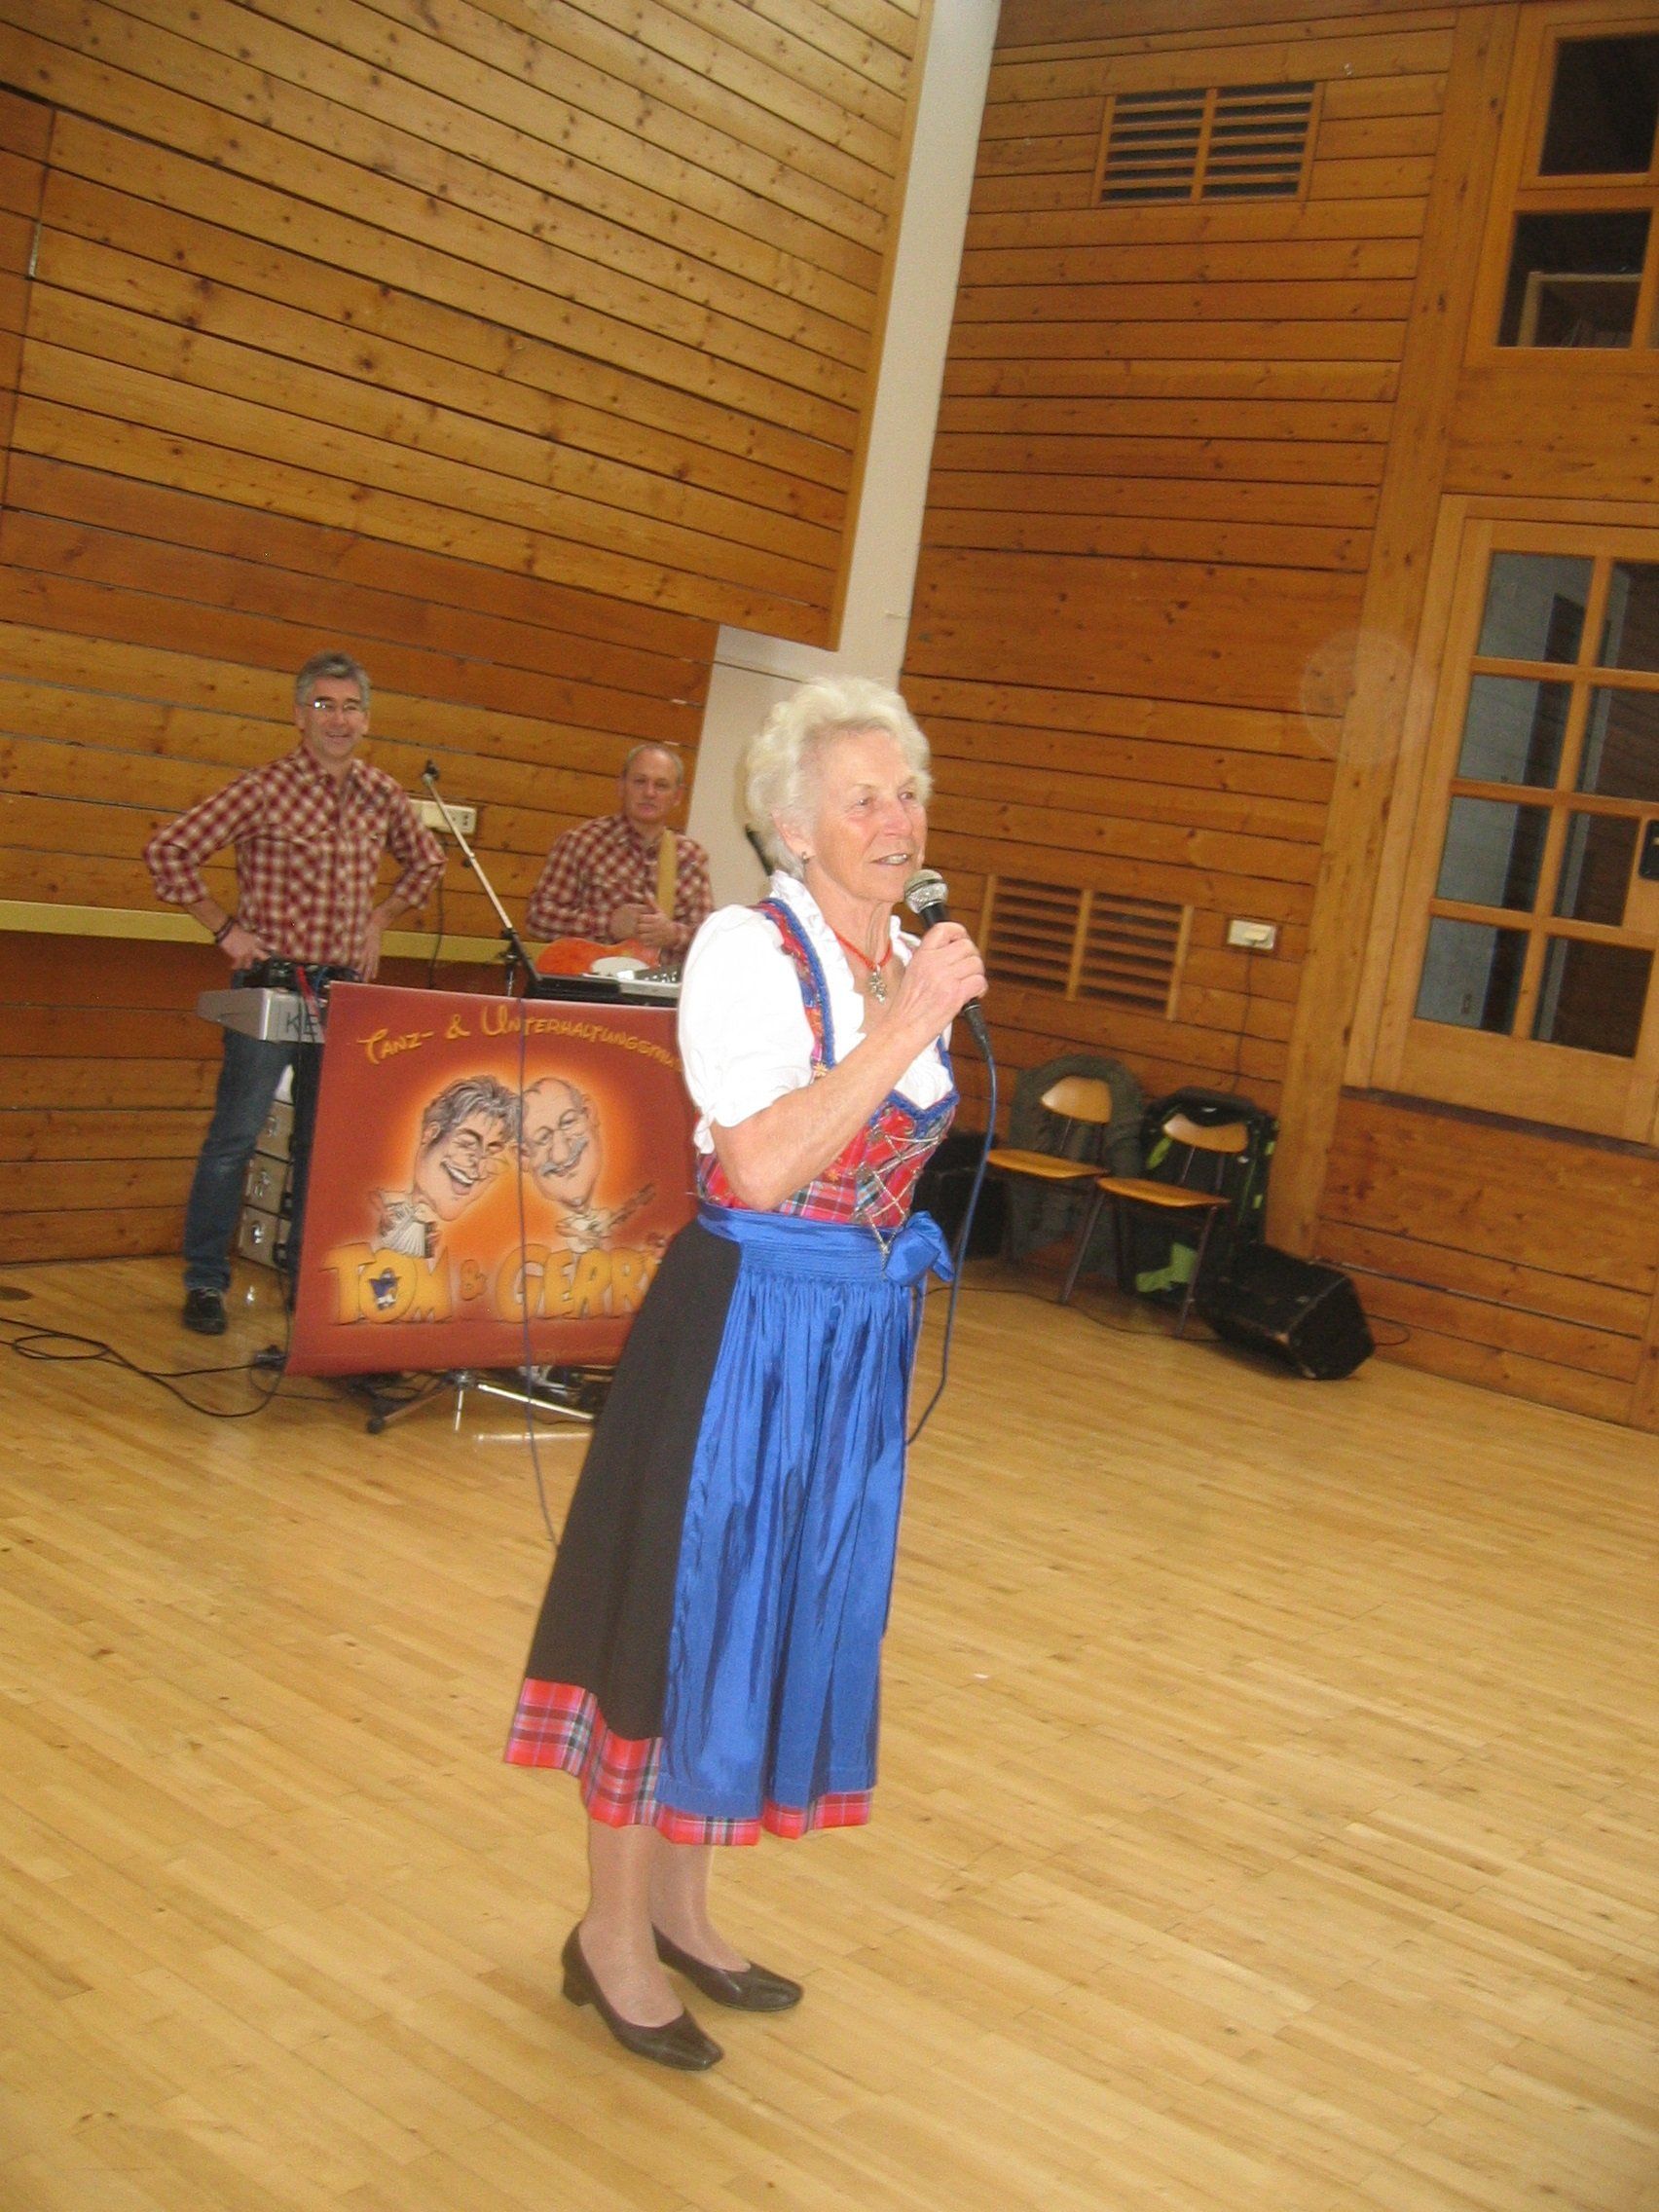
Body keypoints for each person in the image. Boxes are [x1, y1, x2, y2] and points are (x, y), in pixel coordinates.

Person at [505, 677, 986, 2072]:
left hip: (851, 1337)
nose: (897, 818)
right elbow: (763, 1164)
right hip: (740, 1331)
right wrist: (907, 1022)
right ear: (794, 825)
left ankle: (683, 1910)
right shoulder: (744, 949)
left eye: (907, 792)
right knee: (670, 1621)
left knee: (761, 1620)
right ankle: (608, 1934)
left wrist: (909, 1000)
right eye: (864, 797)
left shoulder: (902, 953)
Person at [145, 650, 444, 1334]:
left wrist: (379, 919)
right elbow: (170, 851)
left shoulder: (380, 793)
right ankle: (206, 1281)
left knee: (324, 1143)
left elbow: (427, 863)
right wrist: (224, 928)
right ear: (299, 715)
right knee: (236, 1137)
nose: (337, 719)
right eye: (323, 706)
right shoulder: (264, 788)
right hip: (271, 985)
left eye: (350, 707)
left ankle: (306, 1279)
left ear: (366, 719)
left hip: (344, 994)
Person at [525, 743, 712, 963]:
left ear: (678, 796)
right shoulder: (581, 843)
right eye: (640, 781)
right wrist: (608, 924)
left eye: (661, 785)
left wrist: (673, 935)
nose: (649, 793)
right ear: (621, 787)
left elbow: (711, 939)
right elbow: (538, 916)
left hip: (662, 983)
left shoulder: (692, 857)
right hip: (590, 982)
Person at [376, 1075, 517, 1258]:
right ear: (431, 1133)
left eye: (491, 1152)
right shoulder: (375, 1207)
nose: (479, 1165)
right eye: (466, 1144)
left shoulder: (490, 1237)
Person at [519, 1076, 652, 1252]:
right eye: (543, 1138)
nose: (561, 1155)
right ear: (523, 1157)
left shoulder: (605, 1216)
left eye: (568, 1122)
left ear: (589, 1114)